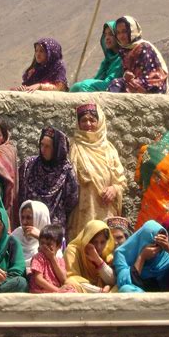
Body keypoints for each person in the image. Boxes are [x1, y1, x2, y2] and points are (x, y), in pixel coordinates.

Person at [67, 103, 127, 240]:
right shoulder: (73, 148)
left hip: (105, 210)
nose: (88, 124)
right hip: (82, 212)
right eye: (83, 120)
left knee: (105, 247)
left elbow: (121, 180)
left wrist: (114, 189)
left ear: (99, 122)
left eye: (92, 120)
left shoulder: (109, 149)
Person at [18, 126, 78, 229]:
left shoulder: (66, 171)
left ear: (57, 149)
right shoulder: (29, 165)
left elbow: (71, 200)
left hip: (53, 228)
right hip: (28, 223)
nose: (43, 149)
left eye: (48, 146)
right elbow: (21, 194)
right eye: (42, 145)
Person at [108, 16, 169, 94]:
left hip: (153, 86)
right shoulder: (125, 51)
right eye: (118, 33)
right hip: (137, 83)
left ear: (132, 31)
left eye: (124, 31)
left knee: (117, 84)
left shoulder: (143, 47)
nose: (121, 36)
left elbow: (153, 77)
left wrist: (132, 80)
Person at [114, 220, 169, 293]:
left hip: (164, 299)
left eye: (160, 244)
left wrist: (168, 248)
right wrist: (142, 257)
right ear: (144, 240)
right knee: (126, 289)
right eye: (154, 244)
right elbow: (123, 282)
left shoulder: (166, 256)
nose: (157, 249)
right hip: (139, 298)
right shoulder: (122, 254)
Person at [70, 21, 123, 92]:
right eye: (105, 35)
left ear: (118, 36)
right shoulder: (108, 59)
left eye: (111, 34)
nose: (107, 38)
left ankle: (87, 103)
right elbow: (98, 78)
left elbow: (111, 80)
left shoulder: (121, 57)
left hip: (114, 86)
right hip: (104, 83)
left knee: (86, 85)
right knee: (76, 86)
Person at [65, 220, 116, 293]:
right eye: (95, 242)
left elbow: (113, 281)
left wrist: (98, 260)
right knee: (70, 282)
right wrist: (100, 291)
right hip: (87, 291)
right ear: (87, 239)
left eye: (103, 242)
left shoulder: (106, 253)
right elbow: (71, 278)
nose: (99, 247)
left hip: (105, 291)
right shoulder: (72, 251)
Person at [29, 224, 75, 293]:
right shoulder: (38, 257)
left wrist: (52, 258)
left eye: (49, 244)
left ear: (59, 246)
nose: (45, 247)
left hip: (55, 290)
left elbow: (63, 279)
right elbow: (38, 279)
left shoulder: (60, 260)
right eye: (42, 243)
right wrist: (57, 290)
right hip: (41, 290)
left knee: (72, 290)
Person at [12, 200, 51, 271]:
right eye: (22, 217)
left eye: (29, 218)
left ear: (40, 219)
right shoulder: (17, 234)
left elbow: (55, 261)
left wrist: (40, 237)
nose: (24, 222)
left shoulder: (51, 239)